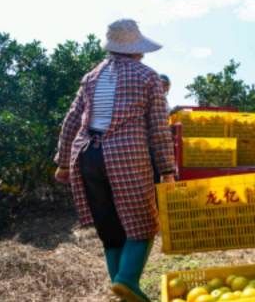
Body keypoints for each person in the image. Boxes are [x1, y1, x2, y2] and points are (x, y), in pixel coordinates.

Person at [54, 19, 175, 302]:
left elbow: (71, 120)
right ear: (136, 48)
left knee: (110, 228)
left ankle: (120, 290)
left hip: (86, 156)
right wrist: (167, 169)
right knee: (143, 222)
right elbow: (158, 128)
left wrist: (62, 162)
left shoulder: (91, 77)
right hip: (126, 155)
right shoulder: (148, 77)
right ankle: (127, 280)